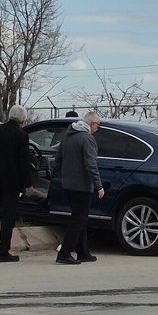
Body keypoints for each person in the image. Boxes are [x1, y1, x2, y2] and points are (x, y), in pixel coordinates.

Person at [0, 105, 35, 263]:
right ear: (23, 119)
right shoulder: (22, 135)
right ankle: (3, 251)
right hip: (12, 181)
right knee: (8, 217)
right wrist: (29, 184)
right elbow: (23, 161)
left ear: (9, 115)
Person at [54, 111, 104, 265]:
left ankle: (83, 252)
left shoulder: (68, 136)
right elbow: (90, 164)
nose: (98, 128)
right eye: (98, 125)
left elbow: (58, 159)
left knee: (79, 218)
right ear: (92, 124)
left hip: (68, 184)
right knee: (78, 220)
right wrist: (98, 185)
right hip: (82, 186)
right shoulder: (87, 139)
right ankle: (65, 253)